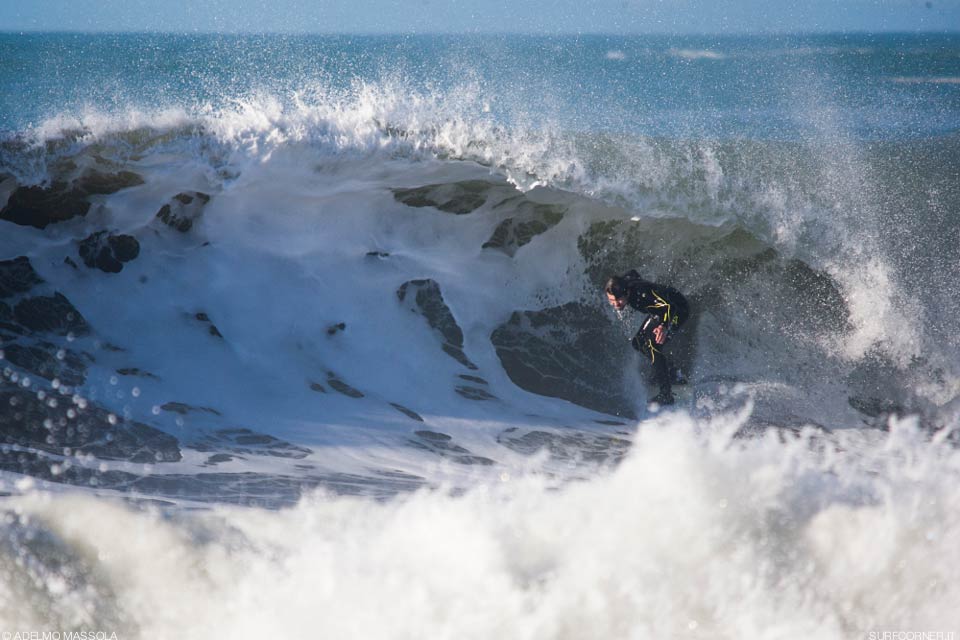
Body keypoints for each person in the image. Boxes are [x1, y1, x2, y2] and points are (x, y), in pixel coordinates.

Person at [605, 269, 690, 406]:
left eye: (618, 300)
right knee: (638, 343)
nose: (615, 304)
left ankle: (666, 394)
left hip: (677, 310)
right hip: (659, 312)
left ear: (626, 293)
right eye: (611, 301)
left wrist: (663, 326)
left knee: (652, 346)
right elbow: (632, 273)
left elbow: (668, 306)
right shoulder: (624, 284)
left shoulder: (642, 295)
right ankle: (671, 373)